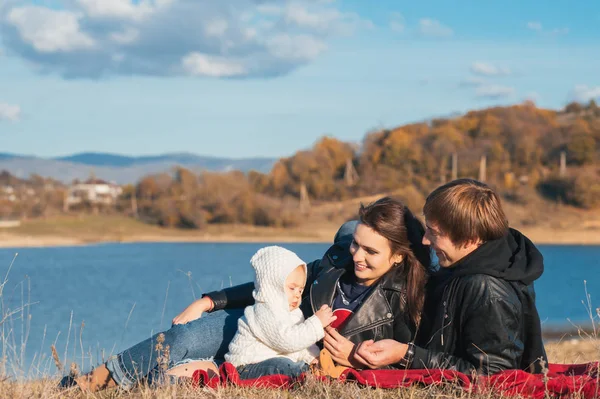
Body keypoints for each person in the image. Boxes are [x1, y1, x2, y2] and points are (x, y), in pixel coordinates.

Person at [61, 196, 430, 391]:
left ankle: (160, 383)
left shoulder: (408, 300)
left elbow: (410, 360)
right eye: (355, 245)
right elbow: (274, 283)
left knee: (210, 373)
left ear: (398, 255)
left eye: (370, 251)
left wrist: (355, 357)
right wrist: (211, 300)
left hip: (292, 358)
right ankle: (94, 382)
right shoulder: (335, 261)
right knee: (188, 333)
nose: (356, 256)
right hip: (263, 329)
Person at [355, 179, 548, 375]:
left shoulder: (487, 289)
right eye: (427, 228)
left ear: (469, 239)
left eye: (435, 233)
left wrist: (407, 355)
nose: (424, 240)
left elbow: (494, 375)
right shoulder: (463, 263)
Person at [224, 245, 336, 378]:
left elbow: (301, 345)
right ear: (273, 285)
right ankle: (308, 373)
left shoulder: (294, 313)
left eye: (300, 290)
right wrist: (316, 323)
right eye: (292, 288)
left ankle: (317, 368)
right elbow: (287, 340)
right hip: (246, 367)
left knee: (283, 363)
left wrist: (313, 357)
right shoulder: (265, 310)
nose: (297, 295)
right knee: (280, 365)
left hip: (273, 362)